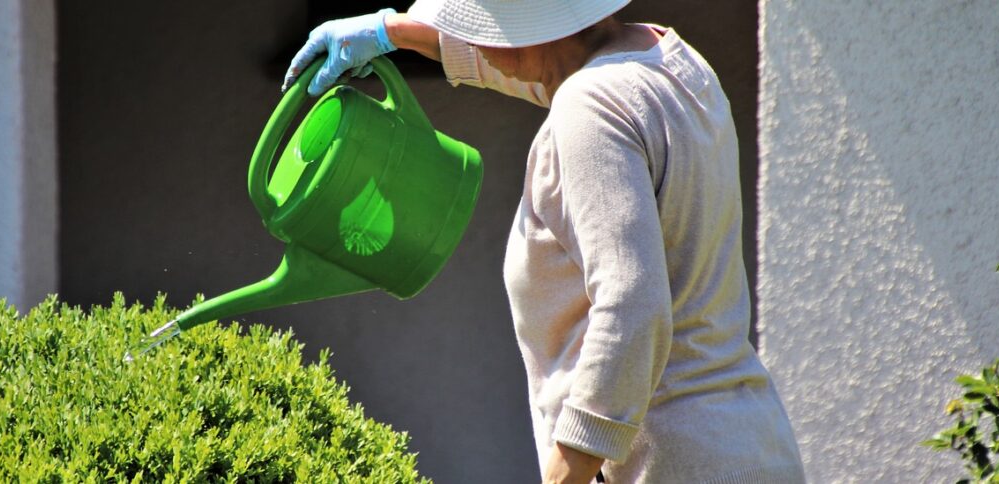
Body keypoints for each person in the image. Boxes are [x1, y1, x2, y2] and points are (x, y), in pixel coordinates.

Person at [282, 1, 805, 482]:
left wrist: (568, 469)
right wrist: (391, 30)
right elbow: (550, 73)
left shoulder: (588, 108)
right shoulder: (668, 58)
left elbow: (633, 307)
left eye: (480, 26)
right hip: (750, 442)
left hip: (667, 464)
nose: (474, 41)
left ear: (527, 28)